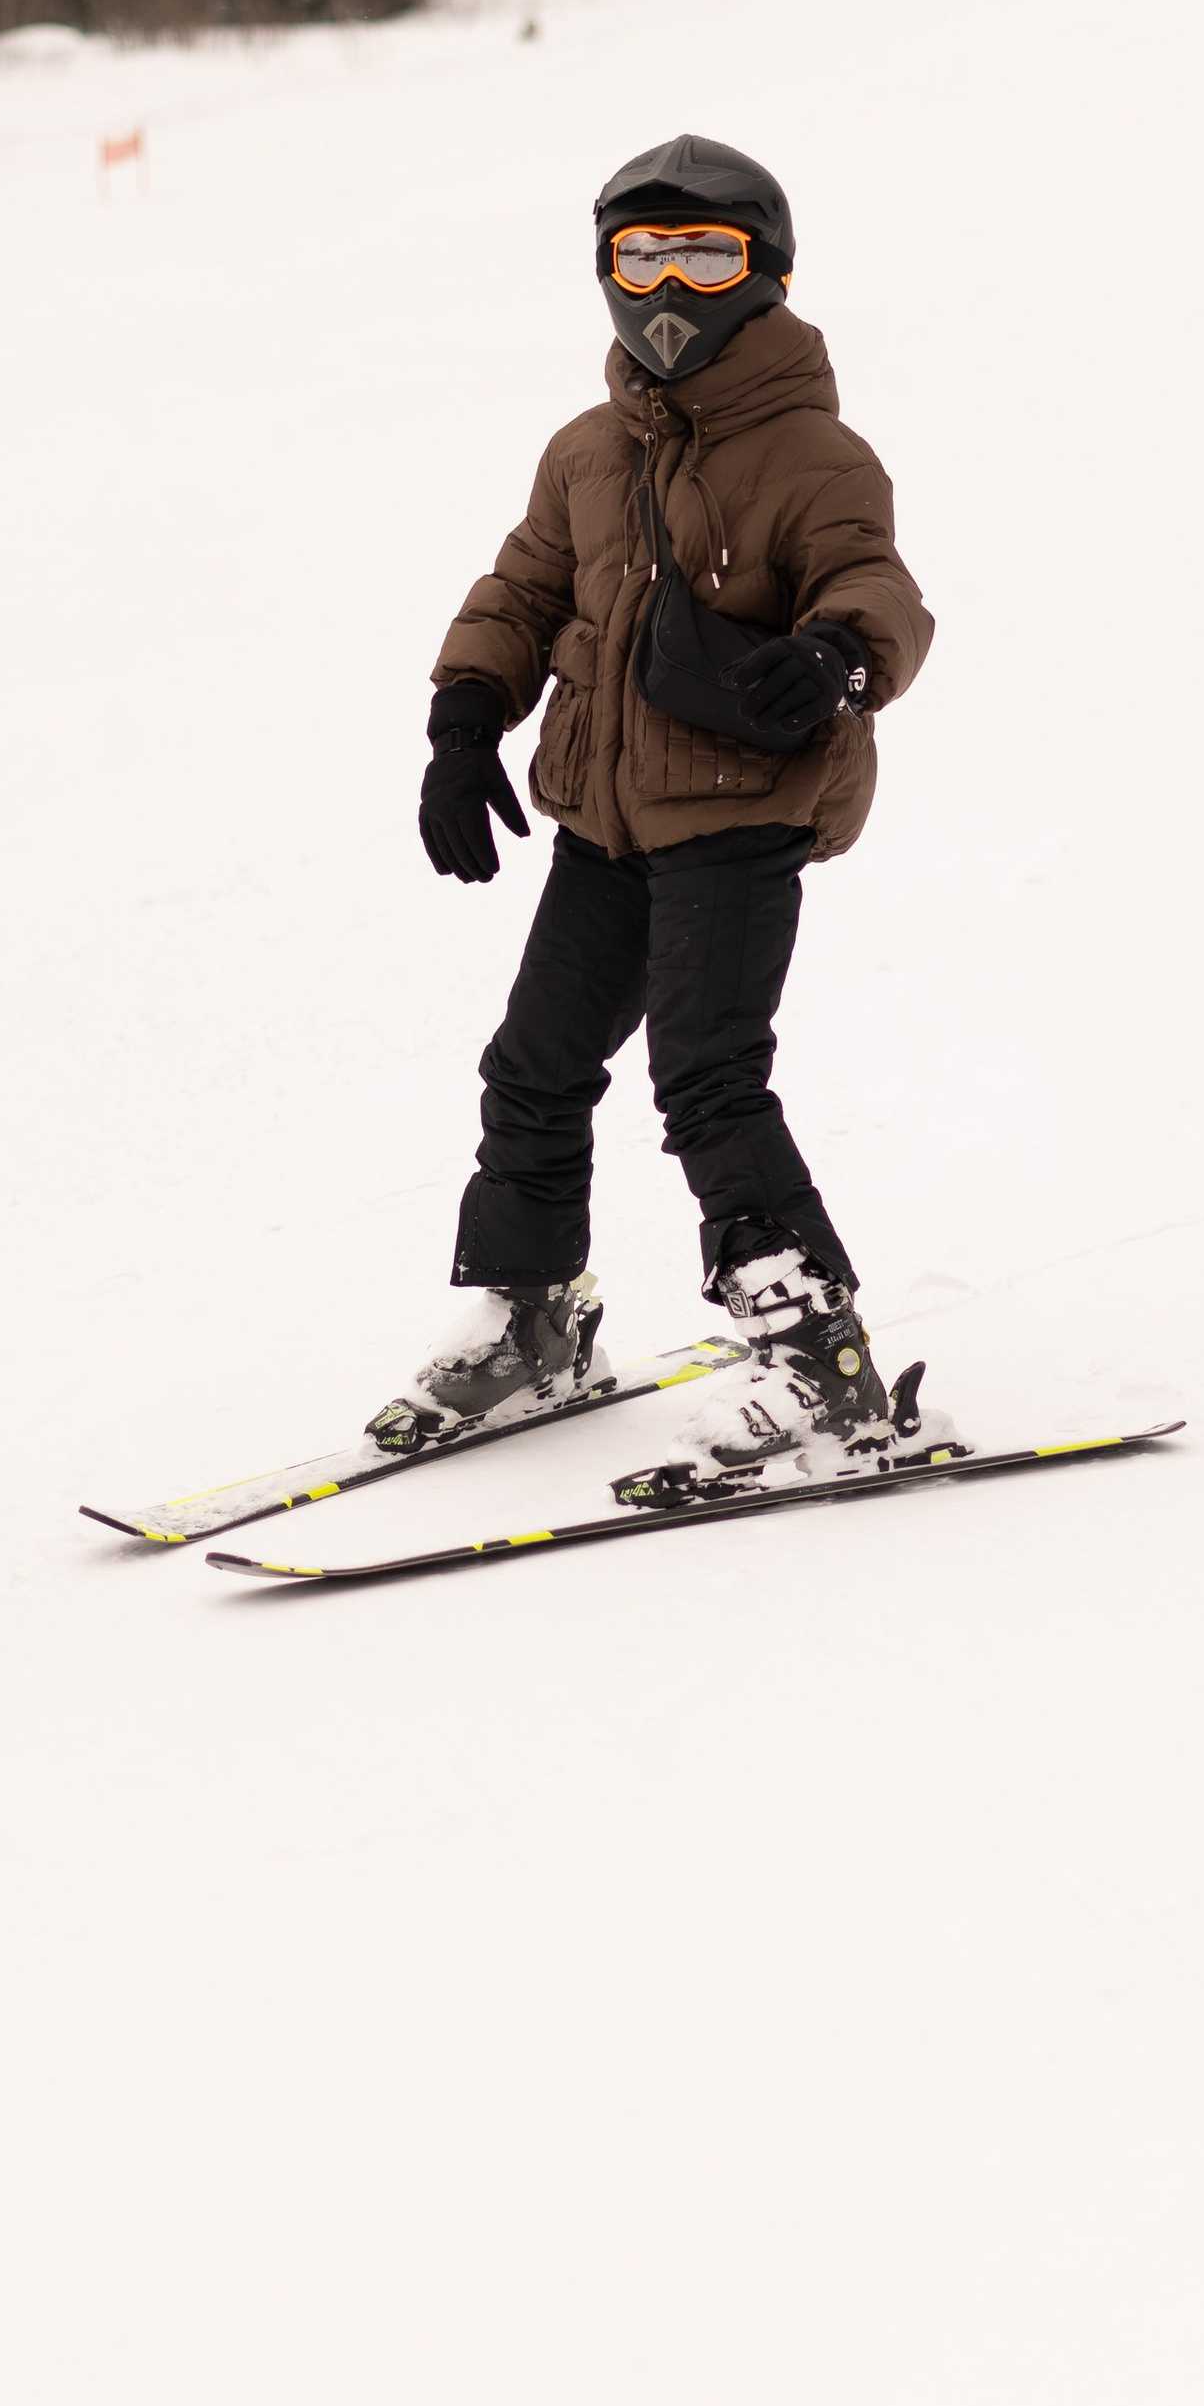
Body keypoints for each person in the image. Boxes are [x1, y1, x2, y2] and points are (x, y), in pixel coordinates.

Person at [371, 131, 935, 1503]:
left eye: (705, 254)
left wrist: (837, 659)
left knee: (707, 1080)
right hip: (602, 824)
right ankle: (533, 1319)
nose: (669, 285)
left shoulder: (813, 452)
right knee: (535, 1065)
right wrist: (464, 718)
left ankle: (820, 1364)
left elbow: (879, 592)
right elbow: (519, 592)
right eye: (641, 255)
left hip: (742, 814)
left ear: (768, 276)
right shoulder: (586, 450)